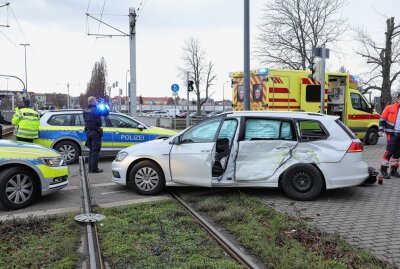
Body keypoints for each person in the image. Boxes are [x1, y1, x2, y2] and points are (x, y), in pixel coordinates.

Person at [83, 96, 109, 173]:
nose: (96, 102)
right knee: (95, 151)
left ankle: (90, 168)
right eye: (96, 101)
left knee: (91, 151)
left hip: (88, 132)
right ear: (94, 101)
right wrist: (104, 105)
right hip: (95, 133)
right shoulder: (95, 110)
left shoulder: (85, 110)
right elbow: (106, 112)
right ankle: (94, 168)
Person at [378, 93, 400, 183]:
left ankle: (393, 170)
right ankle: (383, 170)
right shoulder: (389, 107)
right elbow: (382, 119)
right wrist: (380, 130)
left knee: (398, 153)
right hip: (392, 133)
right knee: (389, 152)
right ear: (398, 98)